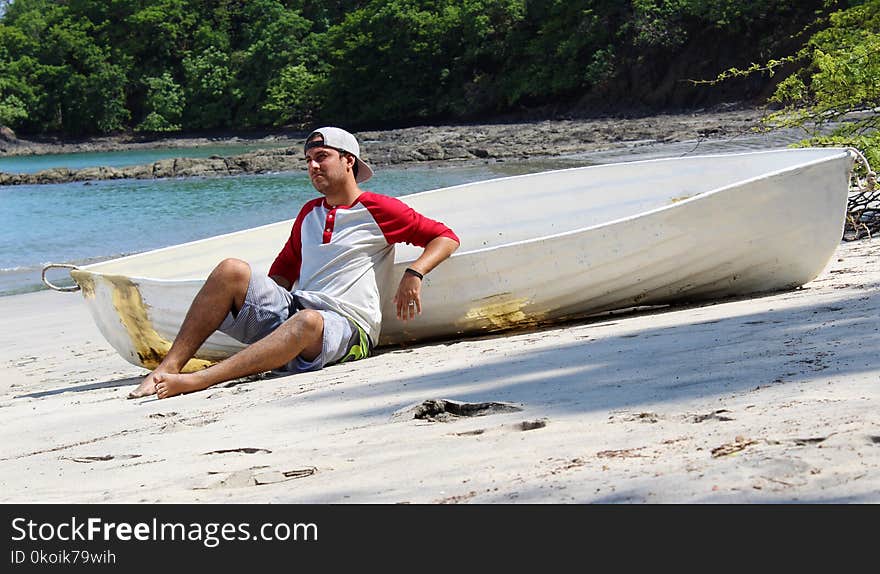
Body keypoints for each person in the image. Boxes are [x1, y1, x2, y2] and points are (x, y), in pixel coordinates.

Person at [128, 127, 460, 399]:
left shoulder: (379, 208)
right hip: (298, 310)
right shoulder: (309, 213)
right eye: (308, 160)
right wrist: (257, 310)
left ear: (348, 161)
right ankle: (167, 368)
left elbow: (445, 237)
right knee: (231, 269)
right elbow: (283, 273)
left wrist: (414, 273)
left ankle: (201, 380)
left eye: (322, 157)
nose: (313, 166)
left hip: (348, 328)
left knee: (307, 322)